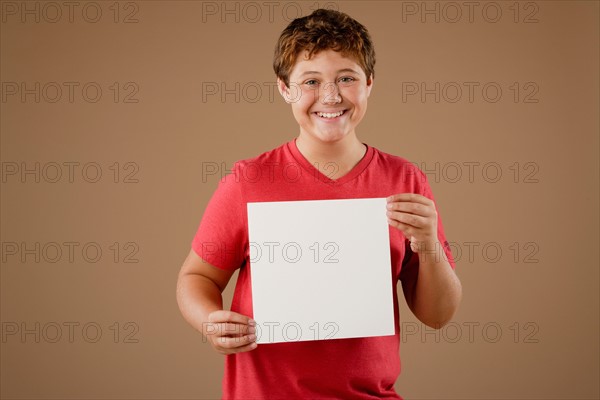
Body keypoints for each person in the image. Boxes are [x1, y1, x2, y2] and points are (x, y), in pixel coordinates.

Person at [176, 8, 462, 399]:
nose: (331, 96)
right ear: (284, 89)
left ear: (369, 84)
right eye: (311, 81)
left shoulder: (404, 179)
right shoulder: (249, 180)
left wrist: (429, 245)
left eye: (347, 78)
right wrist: (211, 322)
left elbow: (438, 316)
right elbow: (196, 278)